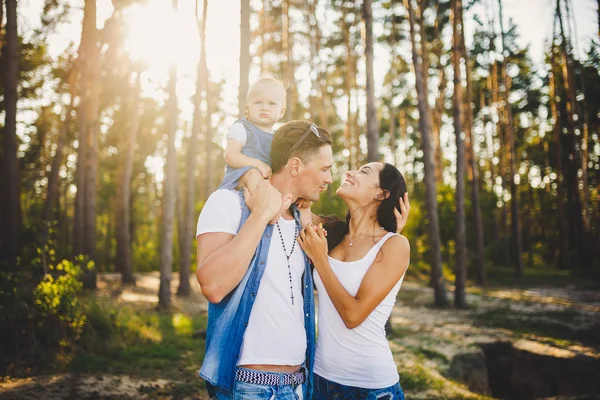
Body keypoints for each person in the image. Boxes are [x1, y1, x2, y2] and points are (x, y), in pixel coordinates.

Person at [195, 120, 333, 400]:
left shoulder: (301, 221)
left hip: (298, 386)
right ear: (295, 166)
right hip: (249, 388)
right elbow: (213, 285)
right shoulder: (228, 203)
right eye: (325, 168)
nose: (330, 178)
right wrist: (260, 215)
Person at [297, 162, 410, 400]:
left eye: (364, 171)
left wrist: (321, 260)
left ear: (381, 193)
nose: (349, 172)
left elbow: (353, 316)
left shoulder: (394, 245)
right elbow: (290, 202)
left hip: (370, 389)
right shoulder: (331, 232)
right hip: (319, 382)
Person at [219, 76, 286, 192]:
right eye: (258, 102)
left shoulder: (279, 139)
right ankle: (261, 208)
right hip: (239, 184)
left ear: (282, 111)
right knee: (253, 174)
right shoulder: (242, 128)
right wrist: (257, 164)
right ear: (247, 108)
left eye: (272, 103)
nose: (265, 108)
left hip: (266, 186)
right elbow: (230, 156)